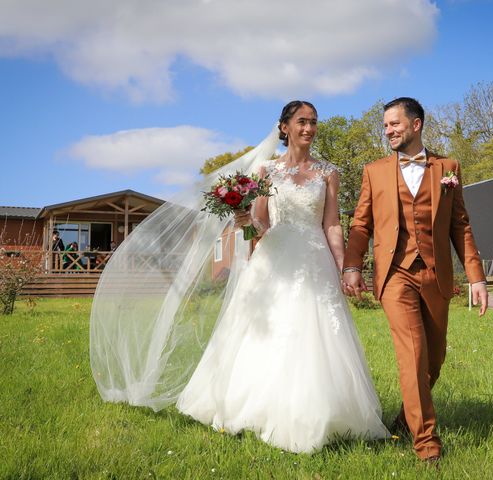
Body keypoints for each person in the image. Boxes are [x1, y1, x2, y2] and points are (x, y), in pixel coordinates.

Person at [91, 101, 388, 454]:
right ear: (284, 127)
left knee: (317, 329)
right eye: (302, 122)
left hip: (314, 257)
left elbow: (332, 223)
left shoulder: (328, 172)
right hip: (274, 257)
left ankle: (324, 411)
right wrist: (243, 218)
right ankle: (255, 407)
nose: (309, 128)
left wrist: (344, 267)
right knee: (267, 330)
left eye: (313, 122)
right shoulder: (266, 171)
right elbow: (261, 223)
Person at [342, 97, 488, 463]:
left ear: (417, 124)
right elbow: (361, 224)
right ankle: (427, 446)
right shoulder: (373, 171)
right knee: (413, 353)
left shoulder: (448, 168)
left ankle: (408, 418)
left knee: (433, 359)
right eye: (386, 126)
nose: (388, 131)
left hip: (436, 275)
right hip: (394, 274)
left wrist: (476, 277)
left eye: (394, 124)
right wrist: (352, 265)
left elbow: (461, 225)